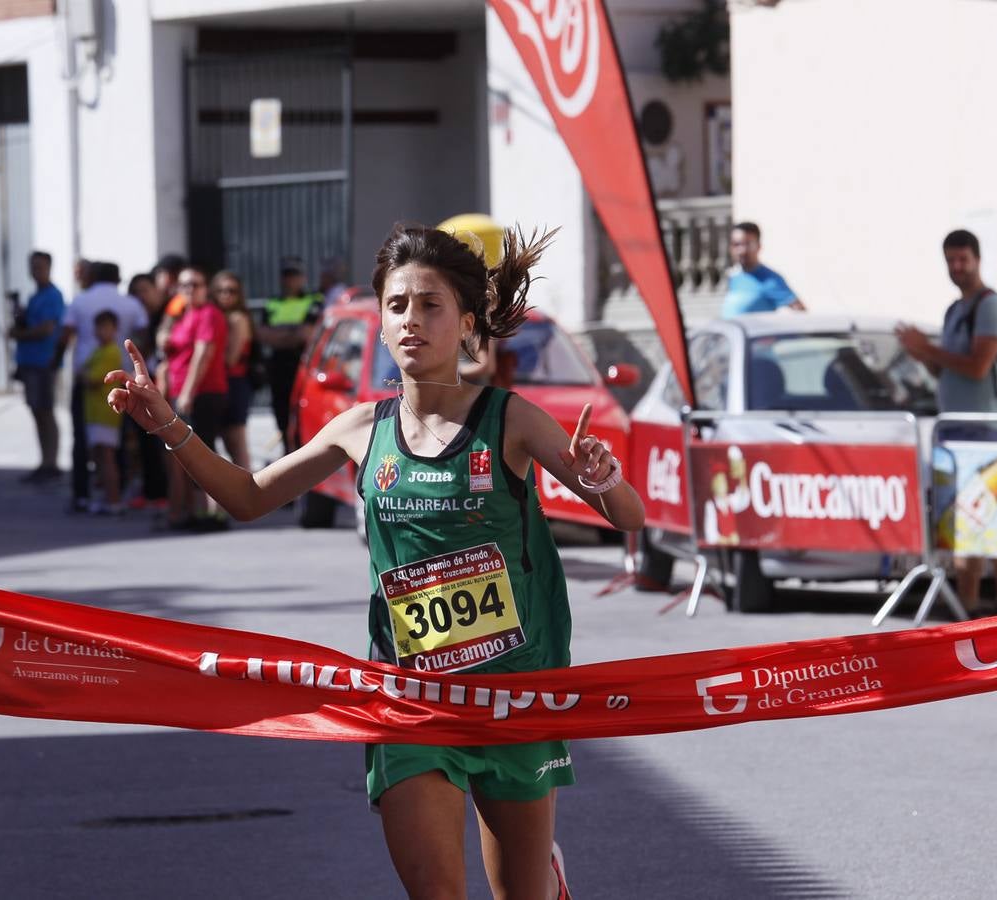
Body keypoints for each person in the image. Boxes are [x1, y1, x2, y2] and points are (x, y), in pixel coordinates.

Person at [106, 223, 645, 899]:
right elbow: (246, 497)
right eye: (397, 307)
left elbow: (627, 518)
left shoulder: (511, 420)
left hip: (513, 696)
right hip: (409, 698)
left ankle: (545, 877)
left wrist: (599, 477)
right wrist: (167, 426)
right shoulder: (362, 429)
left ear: (468, 325)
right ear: (381, 325)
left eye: (430, 305)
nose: (411, 321)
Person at [895, 229, 997, 617]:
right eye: (951, 260)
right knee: (964, 520)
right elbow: (946, 370)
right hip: (955, 426)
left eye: (963, 259)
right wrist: (921, 355)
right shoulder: (955, 310)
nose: (957, 268)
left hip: (983, 427)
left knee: (988, 516)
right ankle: (968, 601)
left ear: (978, 260)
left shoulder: (990, 306)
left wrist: (929, 348)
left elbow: (978, 366)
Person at [58, 262, 149, 512]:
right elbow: (144, 335)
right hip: (122, 381)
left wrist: (55, 364)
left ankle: (89, 495)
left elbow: (65, 335)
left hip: (91, 385)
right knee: (116, 446)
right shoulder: (131, 304)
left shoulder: (79, 301)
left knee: (87, 443)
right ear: (118, 278)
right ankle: (115, 494)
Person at [160, 265, 229, 531]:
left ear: (205, 288)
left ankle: (212, 512)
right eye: (184, 285)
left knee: (204, 454)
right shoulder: (185, 314)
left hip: (203, 393)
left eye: (195, 285)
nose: (189, 290)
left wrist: (188, 391)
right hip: (183, 392)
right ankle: (193, 510)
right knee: (189, 456)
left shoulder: (208, 314)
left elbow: (203, 355)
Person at [8, 251, 66, 483]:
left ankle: (50, 462)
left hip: (44, 362)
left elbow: (47, 329)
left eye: (40, 266)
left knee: (45, 411)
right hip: (31, 362)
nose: (36, 270)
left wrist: (19, 334)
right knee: (37, 411)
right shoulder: (36, 296)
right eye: (33, 266)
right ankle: (45, 461)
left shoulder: (52, 296)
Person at [258, 256, 323, 454]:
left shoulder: (314, 300)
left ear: (303, 278)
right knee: (281, 414)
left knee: (303, 413)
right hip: (278, 367)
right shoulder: (272, 303)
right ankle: (289, 453)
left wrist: (280, 336)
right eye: (287, 275)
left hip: (302, 365)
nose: (290, 280)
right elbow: (263, 335)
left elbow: (308, 333)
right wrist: (292, 335)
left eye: (294, 275)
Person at [125, 272, 168, 508]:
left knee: (161, 439)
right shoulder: (138, 319)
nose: (140, 296)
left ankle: (162, 491)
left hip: (163, 385)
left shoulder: (166, 314)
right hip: (144, 383)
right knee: (143, 439)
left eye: (144, 289)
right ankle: (150, 489)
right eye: (135, 292)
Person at [83, 311, 124, 515]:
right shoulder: (99, 350)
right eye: (99, 327)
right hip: (94, 412)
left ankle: (114, 500)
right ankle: (106, 498)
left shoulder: (111, 352)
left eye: (106, 327)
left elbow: (92, 378)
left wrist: (85, 376)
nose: (101, 332)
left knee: (107, 458)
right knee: (99, 458)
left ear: (115, 330)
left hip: (105, 414)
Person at [213, 270, 254, 471]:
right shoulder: (217, 316)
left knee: (236, 441)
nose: (226, 295)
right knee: (226, 440)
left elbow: (231, 358)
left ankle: (251, 493)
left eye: (232, 291)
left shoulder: (238, 319)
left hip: (235, 383)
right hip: (222, 383)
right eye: (220, 291)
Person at [721, 221, 806, 318]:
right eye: (736, 244)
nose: (741, 250)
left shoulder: (770, 279)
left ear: (758, 246)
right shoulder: (734, 278)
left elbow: (800, 312)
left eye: (747, 244)